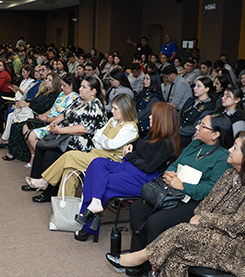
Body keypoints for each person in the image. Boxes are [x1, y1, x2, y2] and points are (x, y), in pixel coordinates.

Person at [107, 132, 245, 277]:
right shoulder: (231, 175)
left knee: (182, 233)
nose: (229, 149)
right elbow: (209, 201)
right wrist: (200, 217)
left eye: (235, 148)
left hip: (241, 249)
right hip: (217, 233)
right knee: (175, 254)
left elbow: (241, 224)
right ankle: (143, 261)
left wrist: (203, 220)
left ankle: (139, 258)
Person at [127, 113, 234, 254]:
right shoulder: (195, 144)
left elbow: (213, 190)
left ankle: (153, 265)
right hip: (173, 192)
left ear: (215, 134)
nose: (197, 127)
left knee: (155, 222)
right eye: (199, 123)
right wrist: (168, 173)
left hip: (195, 202)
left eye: (202, 126)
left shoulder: (223, 157)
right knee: (137, 208)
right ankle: (136, 257)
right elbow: (176, 164)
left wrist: (183, 186)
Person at [74, 103, 180, 242]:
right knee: (96, 163)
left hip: (142, 178)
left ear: (161, 119)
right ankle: (95, 203)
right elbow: (141, 145)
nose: (149, 116)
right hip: (129, 167)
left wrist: (129, 156)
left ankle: (88, 225)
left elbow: (148, 167)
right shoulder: (154, 133)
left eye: (153, 115)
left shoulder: (167, 144)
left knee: (100, 183)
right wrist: (131, 145)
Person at [25, 93, 138, 199]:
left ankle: (45, 181)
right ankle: (63, 207)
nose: (111, 111)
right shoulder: (112, 120)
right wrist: (104, 141)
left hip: (110, 162)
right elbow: (95, 136)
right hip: (96, 153)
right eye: (112, 107)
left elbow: (110, 145)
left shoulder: (130, 128)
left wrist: (103, 140)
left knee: (70, 156)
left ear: (125, 109)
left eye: (115, 109)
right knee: (69, 170)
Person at [25, 76, 107, 202]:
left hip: (81, 142)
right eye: (81, 86)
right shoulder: (78, 100)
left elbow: (84, 129)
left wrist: (60, 130)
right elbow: (64, 114)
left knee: (50, 154)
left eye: (84, 87)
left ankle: (48, 192)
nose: (80, 89)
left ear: (93, 91)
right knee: (41, 146)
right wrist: (54, 124)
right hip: (65, 136)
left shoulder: (95, 106)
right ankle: (36, 181)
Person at [9, 74, 80, 166]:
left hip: (56, 124)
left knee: (31, 135)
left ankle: (42, 160)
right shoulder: (62, 94)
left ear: (71, 85)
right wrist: (42, 116)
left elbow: (64, 117)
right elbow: (52, 109)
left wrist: (47, 119)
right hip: (48, 119)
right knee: (25, 127)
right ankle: (33, 156)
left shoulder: (74, 97)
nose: (61, 87)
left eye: (64, 85)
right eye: (61, 85)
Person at [178, 78, 217, 147]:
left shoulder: (209, 106)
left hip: (190, 135)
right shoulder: (191, 100)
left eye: (198, 86)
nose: (194, 88)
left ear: (207, 89)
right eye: (195, 86)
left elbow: (196, 127)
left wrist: (177, 131)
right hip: (178, 130)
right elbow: (179, 116)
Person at [135, 71, 164, 136]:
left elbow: (146, 112)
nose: (145, 81)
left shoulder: (155, 96)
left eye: (147, 79)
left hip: (145, 126)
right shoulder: (145, 92)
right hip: (137, 121)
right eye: (144, 78)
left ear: (154, 80)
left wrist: (132, 117)